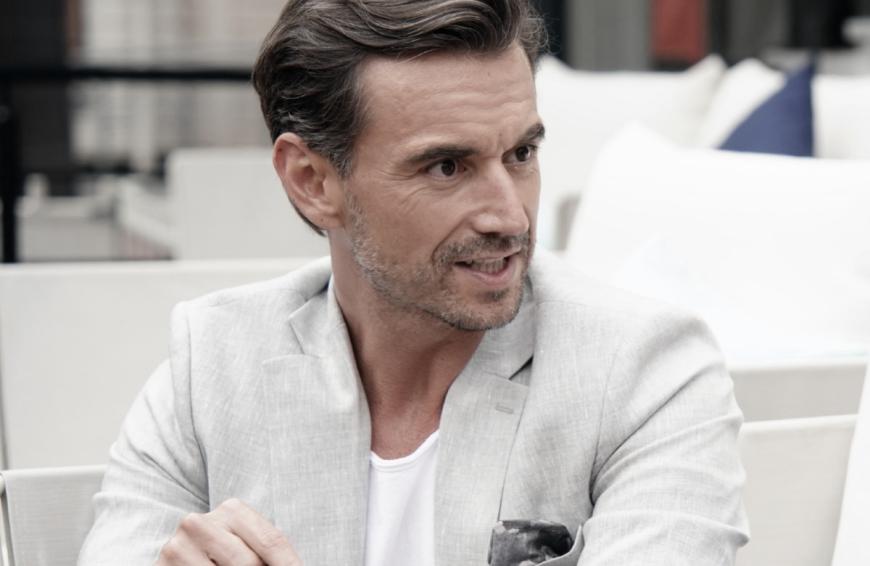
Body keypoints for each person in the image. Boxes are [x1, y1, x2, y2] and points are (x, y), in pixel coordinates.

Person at [79, 1, 749, 564]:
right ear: (313, 182)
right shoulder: (212, 368)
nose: (510, 216)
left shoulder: (646, 374)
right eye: (447, 167)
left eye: (521, 153)